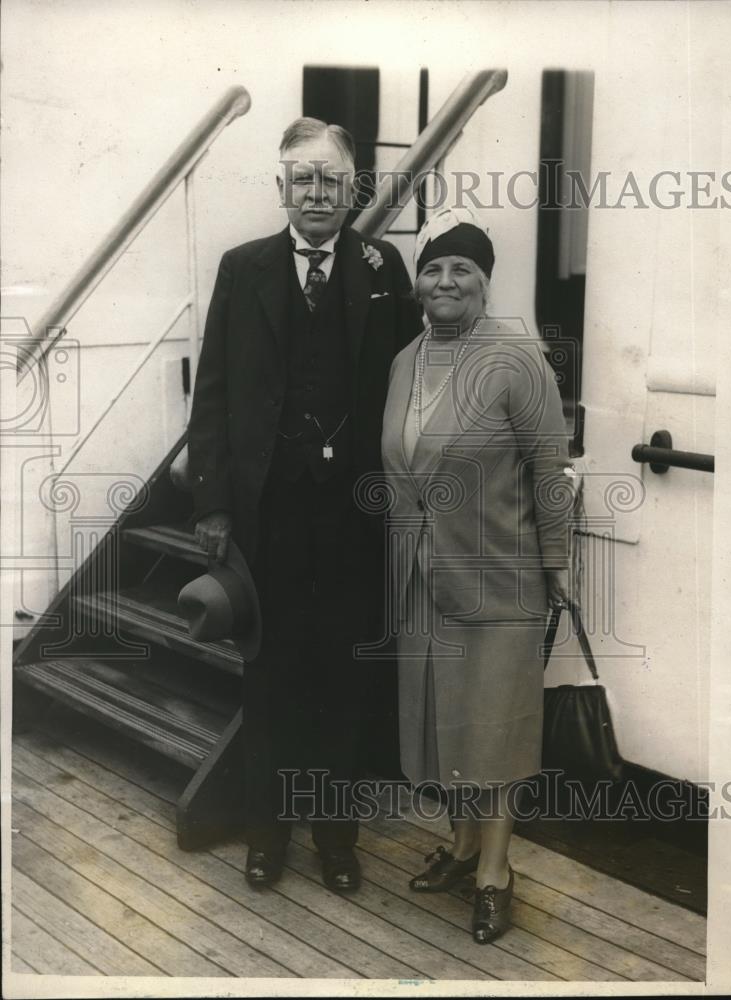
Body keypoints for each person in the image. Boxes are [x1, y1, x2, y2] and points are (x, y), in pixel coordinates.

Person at [187, 117, 420, 892]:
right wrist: (213, 505)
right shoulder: (242, 268)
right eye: (304, 178)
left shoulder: (386, 268)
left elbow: (414, 387)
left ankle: (337, 839)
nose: (318, 193)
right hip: (269, 518)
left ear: (353, 188)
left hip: (355, 517)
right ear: (282, 186)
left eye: (332, 179)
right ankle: (267, 834)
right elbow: (213, 394)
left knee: (341, 680)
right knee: (272, 678)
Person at [381, 208, 573, 942]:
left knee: (493, 732)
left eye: (463, 269)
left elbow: (551, 469)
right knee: (443, 723)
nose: (445, 280)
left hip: (501, 576)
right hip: (421, 577)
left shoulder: (517, 358)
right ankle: (461, 848)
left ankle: (496, 869)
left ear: (485, 285)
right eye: (433, 268)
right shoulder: (406, 360)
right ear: (418, 284)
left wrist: (554, 564)